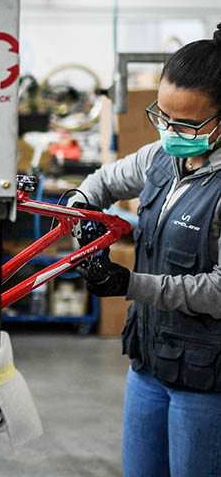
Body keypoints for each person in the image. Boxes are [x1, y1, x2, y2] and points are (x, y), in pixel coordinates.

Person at [71, 26, 221, 477]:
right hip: (149, 361)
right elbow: (102, 182)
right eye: (164, 117)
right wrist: (79, 210)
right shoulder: (161, 156)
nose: (172, 131)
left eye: (187, 124)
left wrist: (130, 284)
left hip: (204, 377)